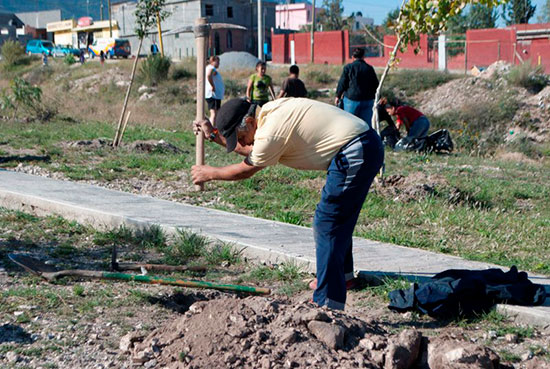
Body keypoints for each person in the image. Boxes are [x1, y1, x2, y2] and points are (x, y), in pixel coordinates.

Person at [191, 98, 384, 310]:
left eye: (241, 137)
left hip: (355, 150)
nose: (244, 142)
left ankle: (328, 304)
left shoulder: (271, 131)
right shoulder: (269, 114)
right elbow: (254, 150)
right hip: (359, 145)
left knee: (328, 221)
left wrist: (211, 173)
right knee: (337, 217)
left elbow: (247, 167)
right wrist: (213, 135)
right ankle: (343, 278)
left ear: (249, 121)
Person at [335, 48, 379, 127]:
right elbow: (375, 84)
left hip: (352, 100)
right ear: (363, 56)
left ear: (352, 57)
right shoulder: (369, 68)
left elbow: (342, 83)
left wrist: (338, 95)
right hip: (367, 100)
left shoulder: (348, 67)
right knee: (365, 127)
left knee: (350, 125)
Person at [205, 56, 225, 125]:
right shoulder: (211, 68)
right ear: (213, 61)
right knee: (214, 114)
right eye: (218, 62)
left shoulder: (208, 68)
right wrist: (212, 86)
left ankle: (214, 128)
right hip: (214, 95)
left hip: (214, 95)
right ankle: (212, 130)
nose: (219, 64)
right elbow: (209, 75)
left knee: (216, 113)